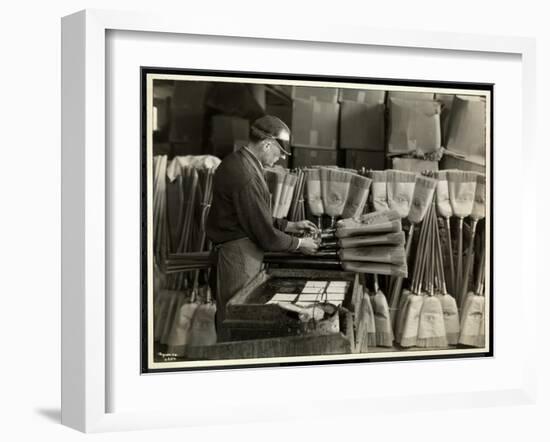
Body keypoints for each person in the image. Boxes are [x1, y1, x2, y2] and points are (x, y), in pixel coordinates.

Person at [206, 115, 319, 340]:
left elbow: (253, 215)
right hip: (239, 256)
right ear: (267, 144)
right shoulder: (245, 175)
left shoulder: (240, 162)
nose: (280, 160)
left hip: (241, 250)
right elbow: (265, 235)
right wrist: (300, 244)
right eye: (279, 154)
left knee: (238, 315)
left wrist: (290, 225)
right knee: (237, 318)